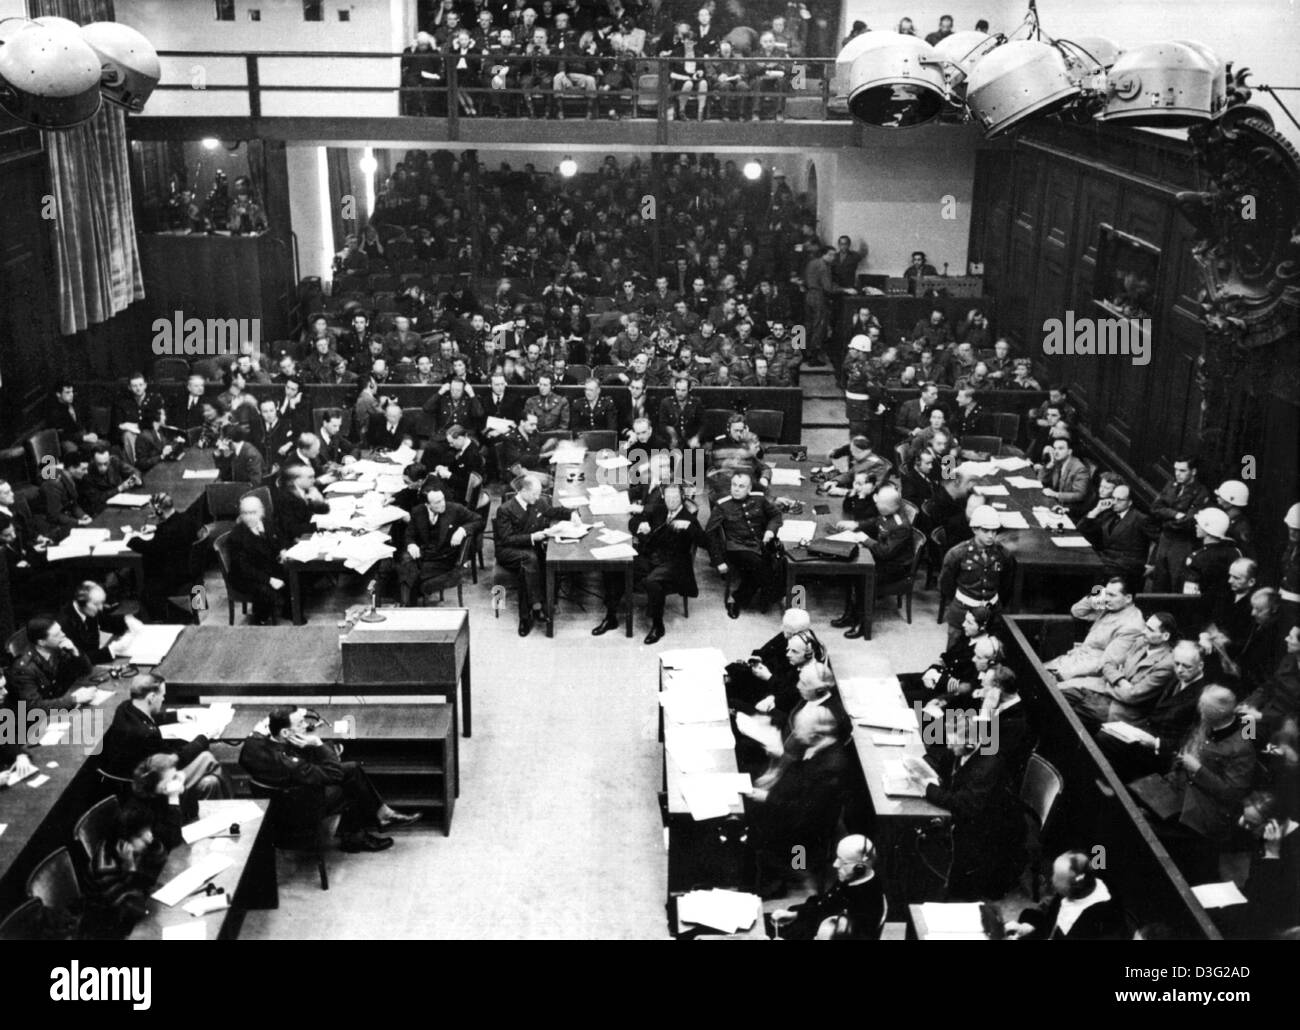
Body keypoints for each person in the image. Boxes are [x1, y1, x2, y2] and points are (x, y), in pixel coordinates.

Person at [240, 705, 419, 853]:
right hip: (302, 809)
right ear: (286, 733)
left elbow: (248, 755)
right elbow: (335, 774)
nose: (306, 724)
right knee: (349, 780)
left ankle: (381, 814)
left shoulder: (252, 745)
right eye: (301, 722)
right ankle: (356, 838)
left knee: (351, 769)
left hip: (273, 807)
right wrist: (318, 744)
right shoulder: (293, 765)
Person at [746, 705, 853, 899]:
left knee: (750, 822)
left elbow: (805, 813)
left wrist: (768, 797)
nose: (794, 734)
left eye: (799, 729)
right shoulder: (819, 745)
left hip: (804, 832)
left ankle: (787, 875)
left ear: (816, 733)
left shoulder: (831, 768)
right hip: (792, 805)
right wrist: (782, 759)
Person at [1155, 686, 1256, 882]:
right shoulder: (1207, 723)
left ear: (1218, 712)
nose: (1199, 708)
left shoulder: (1242, 747)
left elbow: (1232, 794)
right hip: (1180, 787)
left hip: (1204, 810)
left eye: (1203, 705)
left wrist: (1198, 770)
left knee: (1153, 828)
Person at [923, 712, 1023, 900]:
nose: (949, 746)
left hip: (988, 829)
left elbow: (965, 805)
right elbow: (944, 766)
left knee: (954, 887)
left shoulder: (988, 764)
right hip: (973, 815)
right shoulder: (964, 747)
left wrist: (928, 789)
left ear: (970, 744)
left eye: (953, 743)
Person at [593, 483, 703, 644]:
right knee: (613, 566)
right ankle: (611, 617)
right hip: (651, 558)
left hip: (674, 564)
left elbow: (705, 540)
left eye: (676, 497)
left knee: (652, 581)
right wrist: (640, 525)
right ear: (664, 497)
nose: (672, 501)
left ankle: (658, 626)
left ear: (682, 497)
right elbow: (634, 520)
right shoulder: (659, 509)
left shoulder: (689, 518)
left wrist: (690, 528)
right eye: (669, 497)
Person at [100, 673, 229, 801]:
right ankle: (230, 801)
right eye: (162, 695)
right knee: (207, 758)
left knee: (211, 777)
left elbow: (144, 717)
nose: (163, 699)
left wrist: (174, 716)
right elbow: (175, 760)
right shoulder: (147, 735)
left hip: (129, 777)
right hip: (154, 786)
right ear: (151, 697)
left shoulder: (124, 708)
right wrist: (204, 737)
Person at [1098, 640, 1208, 780]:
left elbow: (1191, 741)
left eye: (1187, 666)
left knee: (1104, 741)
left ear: (1200, 666)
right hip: (1147, 734)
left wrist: (1155, 743)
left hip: (1163, 754)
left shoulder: (1202, 697)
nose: (1179, 670)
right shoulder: (1176, 678)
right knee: (1103, 735)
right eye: (1177, 663)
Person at [1061, 612, 1179, 731]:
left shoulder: (1167, 664)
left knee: (1069, 714)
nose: (1143, 631)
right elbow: (1108, 664)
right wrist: (1120, 681)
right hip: (1104, 694)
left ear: (1165, 636)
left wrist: (1110, 682)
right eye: (1145, 626)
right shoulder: (1141, 643)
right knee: (1062, 695)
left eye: (1150, 629)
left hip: (1121, 710)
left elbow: (1132, 696)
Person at [493, 473, 572, 636]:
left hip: (528, 550)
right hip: (508, 550)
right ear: (523, 491)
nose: (538, 498)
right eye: (535, 494)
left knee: (527, 566)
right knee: (530, 559)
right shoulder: (505, 510)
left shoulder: (538, 502)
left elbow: (552, 511)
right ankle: (538, 606)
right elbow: (506, 539)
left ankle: (526, 616)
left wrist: (572, 514)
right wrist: (532, 537)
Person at [831, 484, 914, 639]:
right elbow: (876, 521)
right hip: (883, 558)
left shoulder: (900, 526)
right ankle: (850, 614)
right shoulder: (887, 512)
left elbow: (885, 552)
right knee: (850, 570)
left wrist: (866, 539)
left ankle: (862, 623)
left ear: (891, 506)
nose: (876, 503)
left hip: (895, 567)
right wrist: (857, 525)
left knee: (862, 578)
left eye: (880, 503)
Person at [770, 835, 885, 940]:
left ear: (860, 868)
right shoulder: (851, 879)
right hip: (819, 925)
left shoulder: (868, 905)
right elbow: (827, 903)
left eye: (843, 862)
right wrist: (796, 914)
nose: (835, 864)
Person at [706, 471, 783, 618]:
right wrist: (718, 561)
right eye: (734, 485)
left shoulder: (759, 499)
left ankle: (747, 596)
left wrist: (770, 531)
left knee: (780, 562)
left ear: (749, 489)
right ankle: (740, 598)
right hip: (737, 547)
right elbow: (710, 533)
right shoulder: (722, 506)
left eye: (741, 486)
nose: (736, 489)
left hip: (760, 544)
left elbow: (776, 515)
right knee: (762, 567)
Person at [937, 505, 1015, 648]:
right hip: (963, 611)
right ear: (974, 529)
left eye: (994, 531)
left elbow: (1006, 584)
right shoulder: (957, 554)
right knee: (954, 649)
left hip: (991, 612)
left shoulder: (1003, 555)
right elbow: (945, 584)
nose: (991, 535)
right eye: (985, 531)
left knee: (990, 650)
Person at [1004, 851, 1125, 940]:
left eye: (1058, 878)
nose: (1053, 881)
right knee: (1028, 915)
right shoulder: (1071, 891)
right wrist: (1026, 928)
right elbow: (1049, 923)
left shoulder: (1103, 919)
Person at [1045, 578, 1147, 682]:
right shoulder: (1111, 607)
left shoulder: (1132, 626)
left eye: (1112, 595)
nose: (1106, 598)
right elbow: (1077, 611)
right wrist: (1096, 596)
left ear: (1128, 598)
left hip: (1088, 674)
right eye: (1106, 594)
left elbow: (1107, 663)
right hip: (1075, 660)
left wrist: (1062, 674)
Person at [399, 479, 482, 605]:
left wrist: (462, 530)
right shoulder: (418, 511)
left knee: (409, 575)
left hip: (445, 558)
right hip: (424, 555)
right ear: (427, 505)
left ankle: (408, 607)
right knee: (404, 567)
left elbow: (479, 520)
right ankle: (409, 605)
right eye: (437, 502)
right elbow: (409, 534)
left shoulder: (455, 509)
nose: (443, 504)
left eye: (443, 499)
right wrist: (411, 544)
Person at [724, 607, 819, 711]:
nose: (781, 628)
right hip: (769, 676)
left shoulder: (808, 657)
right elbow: (767, 649)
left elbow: (793, 693)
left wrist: (769, 677)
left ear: (798, 633)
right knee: (734, 674)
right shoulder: (790, 633)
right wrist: (758, 658)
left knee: (735, 698)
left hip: (776, 691)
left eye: (786, 628)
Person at [1239, 789, 1300, 938]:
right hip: (1255, 905)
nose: (1242, 824)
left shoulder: (1294, 847)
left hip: (1280, 921)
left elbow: (1274, 901)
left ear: (1273, 825)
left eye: (1250, 824)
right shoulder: (1264, 833)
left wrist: (1272, 854)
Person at [1148, 456, 1211, 592]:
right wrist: (1175, 514)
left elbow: (1187, 522)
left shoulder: (1200, 492)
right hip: (1165, 539)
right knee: (1159, 580)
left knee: (1176, 582)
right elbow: (1154, 508)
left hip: (1182, 543)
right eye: (1176, 470)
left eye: (1182, 470)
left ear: (1193, 472)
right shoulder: (1171, 485)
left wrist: (1165, 519)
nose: (1177, 474)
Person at [6, 617, 96, 712]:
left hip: (60, 704)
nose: (63, 635)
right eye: (57, 635)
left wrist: (75, 651)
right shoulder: (24, 668)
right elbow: (34, 706)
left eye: (61, 631)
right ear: (42, 642)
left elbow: (86, 671)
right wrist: (73, 699)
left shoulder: (58, 649)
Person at [227, 494, 288, 625]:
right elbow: (244, 568)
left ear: (261, 512)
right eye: (245, 513)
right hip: (246, 577)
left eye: (253, 512)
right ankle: (260, 620)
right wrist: (270, 580)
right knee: (264, 591)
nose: (249, 517)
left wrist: (283, 550)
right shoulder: (236, 537)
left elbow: (281, 537)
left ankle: (289, 611)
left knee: (293, 574)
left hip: (266, 567)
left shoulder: (267, 523)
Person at [1076, 479, 1150, 585]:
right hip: (1107, 560)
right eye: (1113, 498)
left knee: (1084, 573)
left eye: (1119, 500)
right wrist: (1097, 510)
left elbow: (1160, 539)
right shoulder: (1111, 514)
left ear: (1130, 502)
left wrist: (1152, 564)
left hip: (1126, 566)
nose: (1115, 502)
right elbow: (1081, 529)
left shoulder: (1140, 518)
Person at [56, 580, 142, 664]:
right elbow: (77, 660)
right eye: (96, 604)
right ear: (82, 603)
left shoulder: (88, 609)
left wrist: (126, 620)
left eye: (101, 603)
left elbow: (106, 622)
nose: (101, 608)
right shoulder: (64, 624)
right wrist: (112, 649)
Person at [79, 443, 143, 516]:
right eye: (99, 464)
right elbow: (97, 499)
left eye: (106, 463)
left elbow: (135, 471)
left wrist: (135, 479)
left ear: (109, 459)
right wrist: (119, 488)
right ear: (93, 460)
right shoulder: (87, 474)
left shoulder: (114, 461)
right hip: (104, 510)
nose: (103, 468)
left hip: (123, 500)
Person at [1036, 436, 1092, 519]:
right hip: (1055, 504)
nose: (1056, 452)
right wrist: (1049, 466)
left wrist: (1055, 494)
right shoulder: (1058, 462)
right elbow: (1040, 480)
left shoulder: (1079, 469)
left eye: (1060, 449)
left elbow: (1080, 495)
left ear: (1069, 451)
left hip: (1068, 510)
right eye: (1054, 448)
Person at [273, 462, 330, 542]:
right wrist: (318, 524)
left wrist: (319, 501)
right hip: (295, 540)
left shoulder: (307, 489)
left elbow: (324, 511)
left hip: (309, 532)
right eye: (310, 477)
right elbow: (292, 529)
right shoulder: (285, 498)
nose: (314, 480)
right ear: (296, 480)